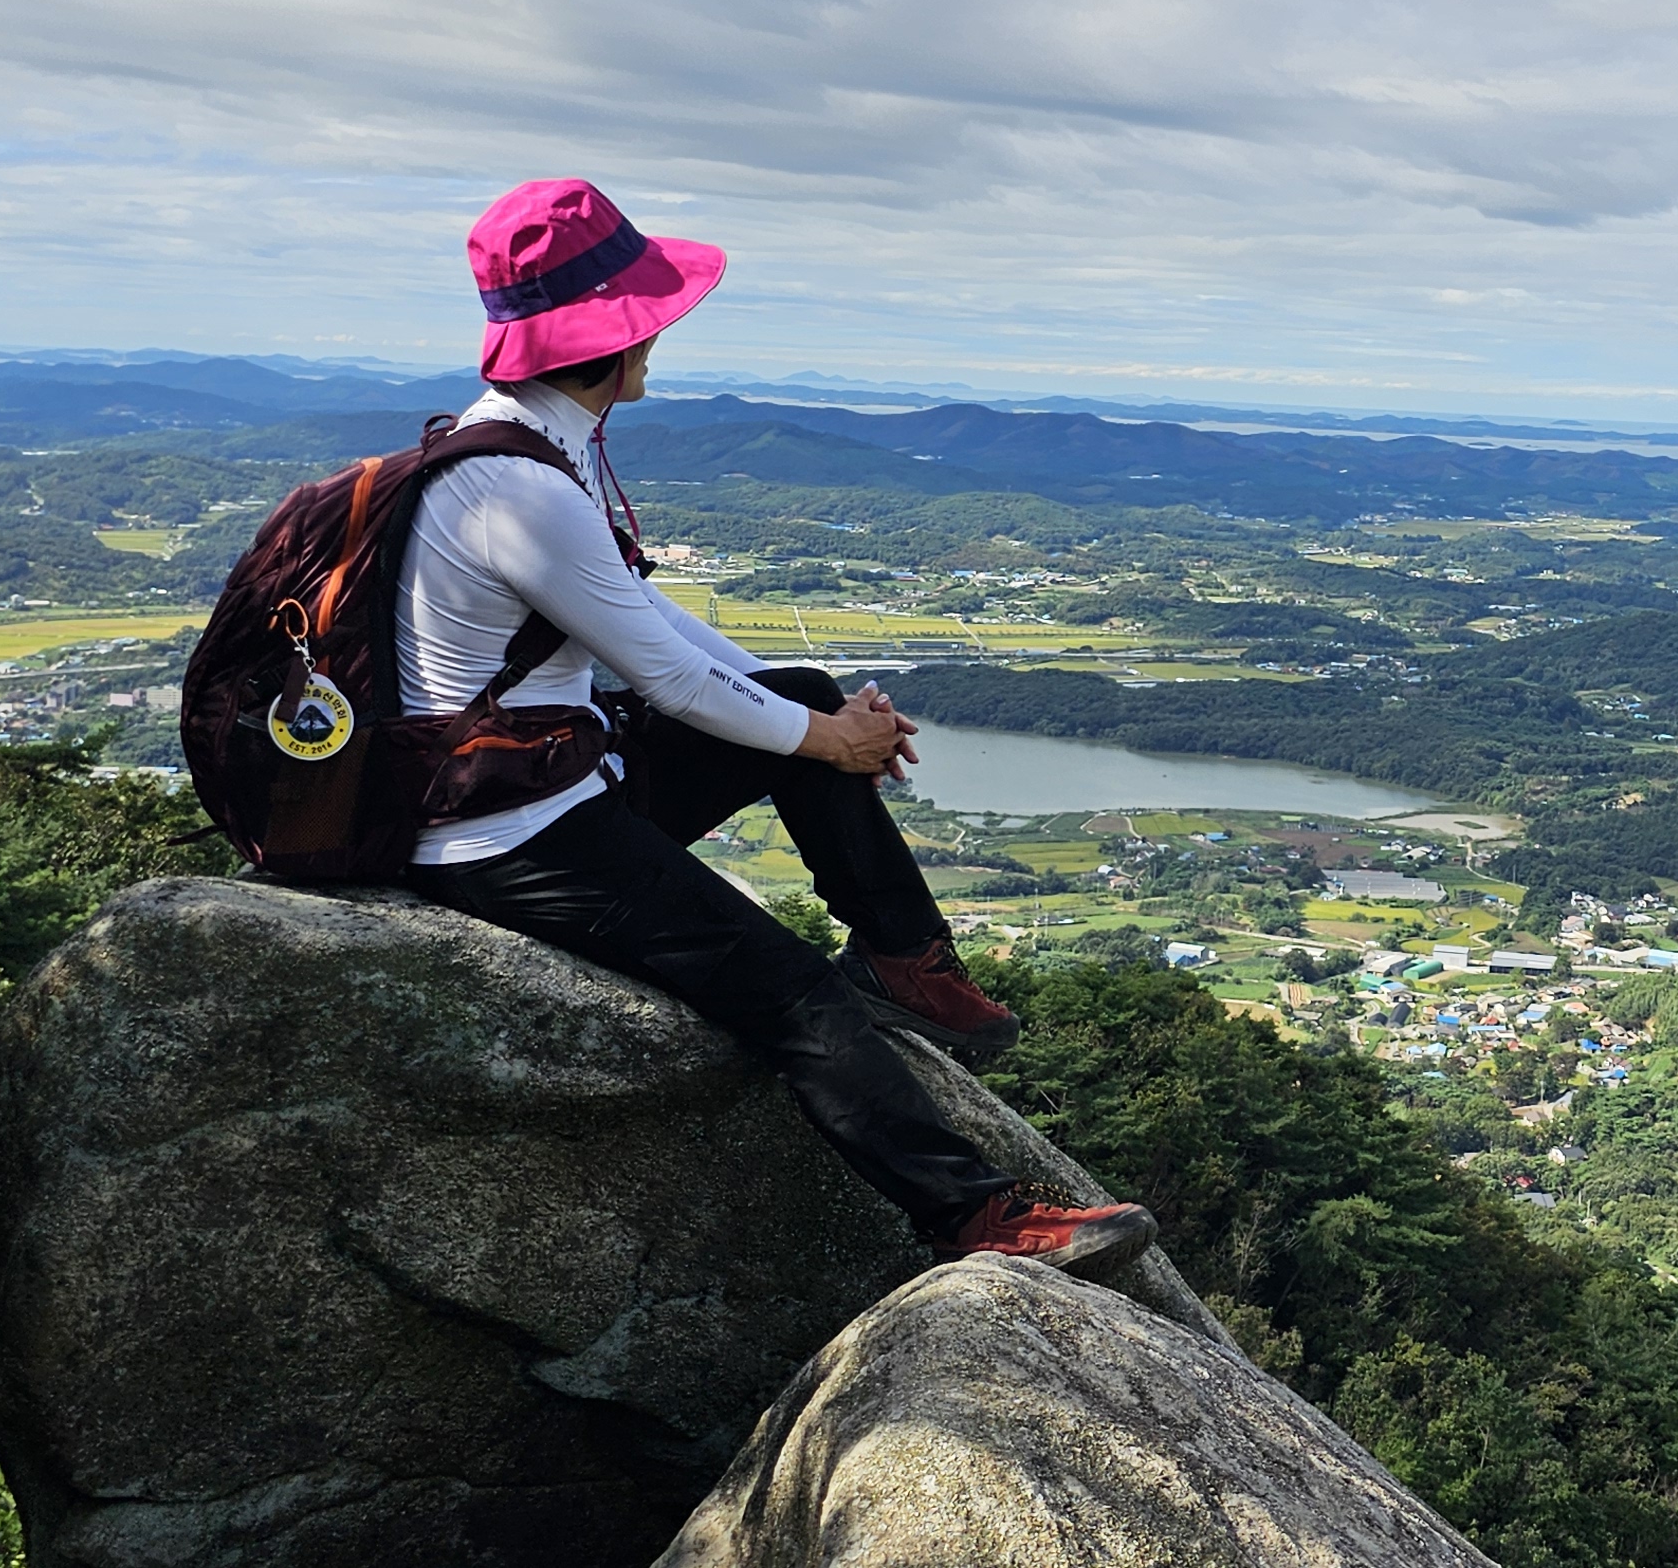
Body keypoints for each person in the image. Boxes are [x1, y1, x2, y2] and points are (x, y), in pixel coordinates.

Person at [394, 177, 1151, 1273]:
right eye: (652, 314)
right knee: (792, 991)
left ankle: (903, 957)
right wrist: (830, 741)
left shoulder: (531, 441)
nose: (662, 334)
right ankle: (976, 1217)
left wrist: (823, 715)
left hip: (547, 772)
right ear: (616, 333)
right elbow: (667, 678)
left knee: (796, 685)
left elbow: (644, 612)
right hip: (507, 832)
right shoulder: (521, 487)